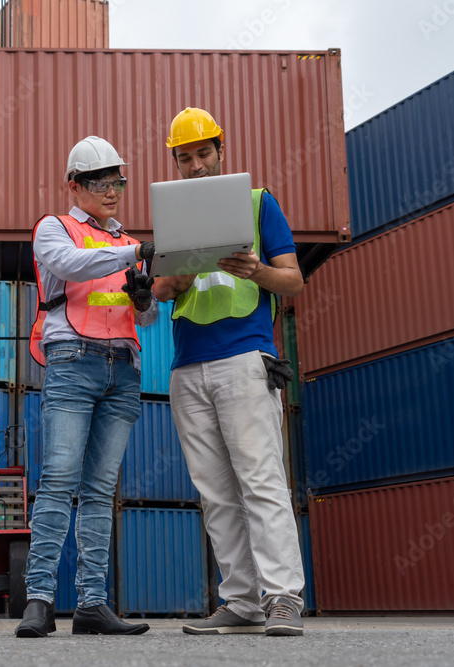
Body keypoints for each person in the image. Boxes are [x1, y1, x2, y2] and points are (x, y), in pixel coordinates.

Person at [151, 108, 306, 637]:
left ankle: (283, 596)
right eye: (184, 157)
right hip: (187, 365)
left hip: (244, 356)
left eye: (202, 153)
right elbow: (161, 291)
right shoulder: (170, 215)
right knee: (215, 491)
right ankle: (241, 600)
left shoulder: (259, 202)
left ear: (222, 150)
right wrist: (182, 275)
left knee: (261, 479)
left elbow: (293, 281)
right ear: (175, 162)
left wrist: (256, 270)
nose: (195, 165)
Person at [15, 136, 156, 638]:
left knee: (99, 490)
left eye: (117, 180)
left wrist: (144, 297)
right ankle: (39, 601)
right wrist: (133, 254)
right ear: (74, 185)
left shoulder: (126, 240)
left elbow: (151, 315)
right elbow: (71, 266)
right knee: (59, 480)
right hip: (72, 360)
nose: (112, 191)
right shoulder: (54, 228)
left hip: (123, 366)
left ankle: (93, 604)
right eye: (100, 182)